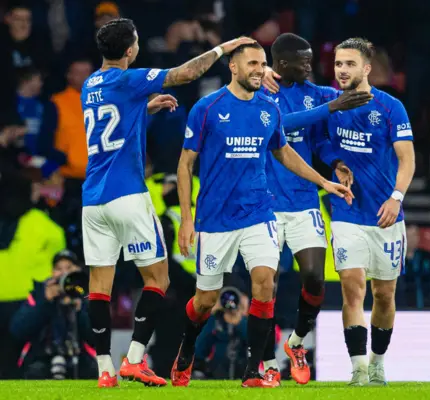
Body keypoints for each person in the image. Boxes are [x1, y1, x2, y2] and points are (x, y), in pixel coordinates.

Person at [80, 17, 254, 388]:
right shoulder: (128, 78)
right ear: (130, 50)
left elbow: (110, 123)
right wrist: (224, 48)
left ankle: (105, 372)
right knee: (159, 278)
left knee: (99, 285)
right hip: (126, 193)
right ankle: (135, 359)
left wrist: (144, 110)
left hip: (91, 200)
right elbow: (185, 72)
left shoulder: (89, 85)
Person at [169, 41, 353, 388]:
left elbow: (284, 152)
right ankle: (187, 348)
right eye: (252, 63)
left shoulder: (268, 110)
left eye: (262, 63)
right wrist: (188, 219)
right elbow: (185, 165)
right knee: (205, 301)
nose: (258, 69)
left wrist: (323, 182)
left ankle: (256, 370)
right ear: (233, 67)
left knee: (265, 284)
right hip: (216, 219)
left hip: (259, 213)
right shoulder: (207, 109)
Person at [280, 38, 415, 385]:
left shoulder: (390, 107)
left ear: (366, 69)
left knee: (384, 295)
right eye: (338, 64)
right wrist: (336, 161)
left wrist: (397, 197)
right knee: (352, 288)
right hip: (346, 209)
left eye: (350, 64)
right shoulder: (329, 101)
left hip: (385, 214)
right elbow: (320, 141)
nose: (342, 70)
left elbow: (407, 158)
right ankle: (357, 370)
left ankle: (377, 361)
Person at [259, 33, 372, 385]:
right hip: (267, 204)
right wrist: (329, 108)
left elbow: (318, 139)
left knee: (314, 278)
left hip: (305, 200)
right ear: (280, 64)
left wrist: (335, 161)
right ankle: (266, 359)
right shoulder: (261, 92)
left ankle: (296, 344)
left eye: (311, 60)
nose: (310, 66)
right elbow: (279, 127)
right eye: (303, 61)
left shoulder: (312, 92)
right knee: (266, 285)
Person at [9, 250, 96, 379]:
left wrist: (78, 310)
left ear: (78, 270)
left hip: (78, 357)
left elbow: (96, 337)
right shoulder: (39, 294)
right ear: (52, 273)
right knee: (34, 372)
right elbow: (17, 330)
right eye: (59, 269)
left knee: (92, 371)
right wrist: (46, 302)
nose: (64, 273)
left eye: (69, 268)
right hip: (42, 356)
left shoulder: (86, 296)